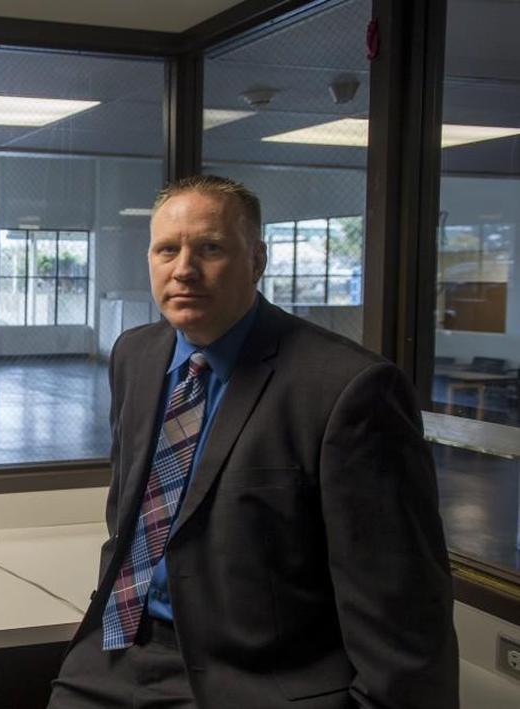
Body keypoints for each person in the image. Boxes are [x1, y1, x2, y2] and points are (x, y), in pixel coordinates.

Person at [48, 175, 457, 708]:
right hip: (116, 657)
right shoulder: (136, 357)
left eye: (211, 248)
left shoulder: (346, 389)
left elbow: (405, 610)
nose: (184, 270)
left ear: (258, 259)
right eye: (167, 249)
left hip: (254, 680)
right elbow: (133, 513)